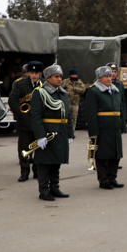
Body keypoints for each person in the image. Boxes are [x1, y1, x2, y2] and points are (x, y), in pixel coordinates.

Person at [29, 64, 73, 201]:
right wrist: (40, 136)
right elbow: (35, 116)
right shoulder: (40, 92)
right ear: (48, 78)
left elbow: (67, 115)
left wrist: (70, 133)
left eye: (60, 76)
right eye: (56, 77)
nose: (59, 79)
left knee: (56, 162)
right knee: (44, 164)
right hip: (48, 133)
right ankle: (43, 191)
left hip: (61, 132)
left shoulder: (62, 93)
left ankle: (55, 188)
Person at [84, 65, 125, 190]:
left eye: (110, 76)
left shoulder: (115, 90)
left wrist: (122, 124)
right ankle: (103, 180)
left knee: (116, 153)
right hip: (103, 126)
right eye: (106, 76)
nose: (109, 78)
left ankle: (112, 178)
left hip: (115, 125)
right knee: (102, 155)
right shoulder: (93, 91)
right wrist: (93, 131)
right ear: (99, 78)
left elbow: (120, 108)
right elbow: (91, 114)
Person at [9, 60, 43, 182]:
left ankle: (37, 171)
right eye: (31, 72)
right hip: (25, 122)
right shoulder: (20, 84)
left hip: (40, 122)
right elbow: (12, 100)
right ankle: (24, 172)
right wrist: (21, 114)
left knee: (39, 149)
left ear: (41, 73)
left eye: (36, 72)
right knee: (24, 149)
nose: (34, 75)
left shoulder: (44, 84)